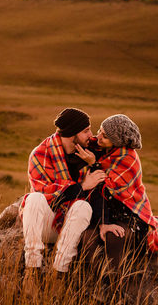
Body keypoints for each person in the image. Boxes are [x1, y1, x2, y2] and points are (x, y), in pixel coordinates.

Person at [79, 114, 158, 277]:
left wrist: (93, 164)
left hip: (130, 217)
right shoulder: (104, 149)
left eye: (105, 136)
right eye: (100, 131)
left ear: (117, 140)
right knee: (87, 237)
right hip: (106, 214)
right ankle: (94, 285)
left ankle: (116, 287)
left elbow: (106, 186)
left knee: (114, 237)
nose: (99, 137)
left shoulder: (127, 158)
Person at [20, 107, 105, 292]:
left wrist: (93, 164)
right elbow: (47, 195)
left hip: (74, 227)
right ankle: (32, 271)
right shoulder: (40, 154)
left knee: (83, 206)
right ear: (72, 133)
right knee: (34, 198)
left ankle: (59, 273)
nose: (91, 135)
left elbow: (101, 190)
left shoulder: (90, 152)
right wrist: (81, 187)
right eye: (86, 131)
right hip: (48, 224)